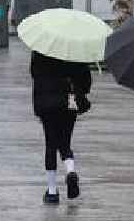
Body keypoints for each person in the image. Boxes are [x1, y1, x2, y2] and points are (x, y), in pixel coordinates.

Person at [30, 51, 92, 204]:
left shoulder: (41, 49)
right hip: (69, 101)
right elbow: (86, 80)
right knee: (65, 142)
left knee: (50, 144)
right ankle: (70, 171)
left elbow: (34, 74)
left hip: (47, 102)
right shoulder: (76, 49)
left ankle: (52, 191)